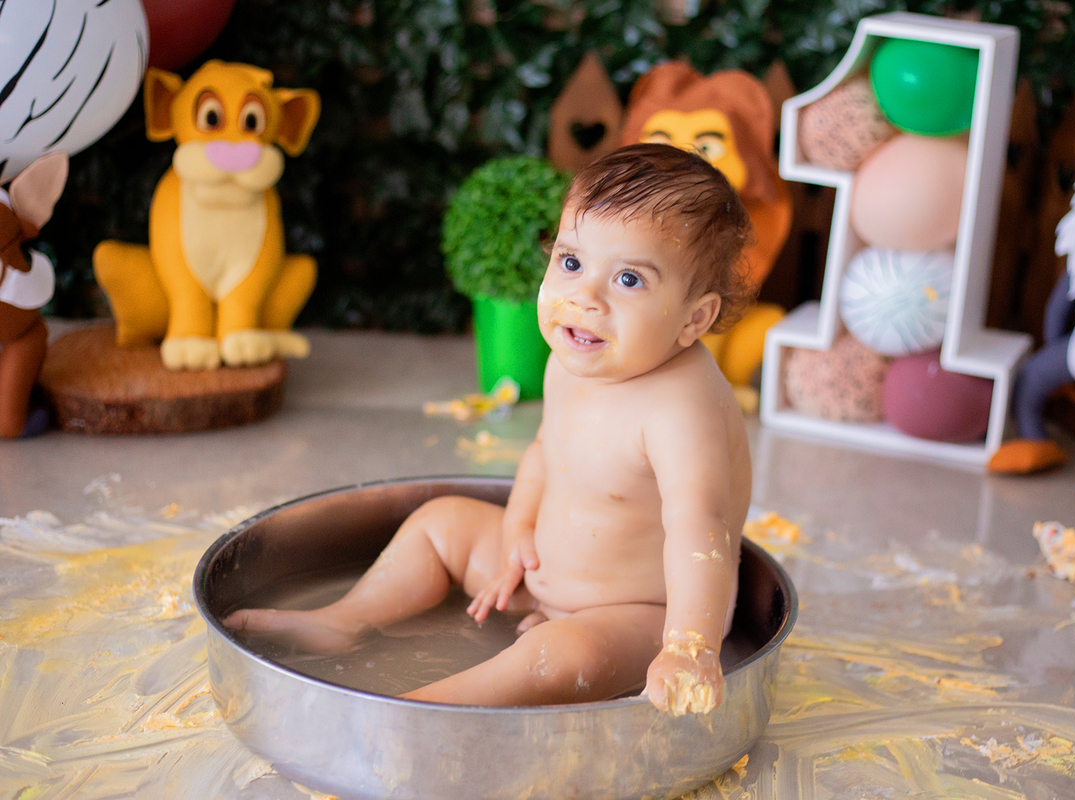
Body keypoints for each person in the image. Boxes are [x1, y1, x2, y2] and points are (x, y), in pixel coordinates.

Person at [224, 143, 754, 714]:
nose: (585, 297)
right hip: (539, 573)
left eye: (628, 279)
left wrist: (689, 646)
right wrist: (518, 531)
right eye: (572, 263)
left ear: (694, 318)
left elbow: (702, 532)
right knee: (440, 523)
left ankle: (422, 709)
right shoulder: (575, 357)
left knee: (557, 658)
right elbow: (546, 454)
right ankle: (342, 620)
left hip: (635, 615)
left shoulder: (681, 409)